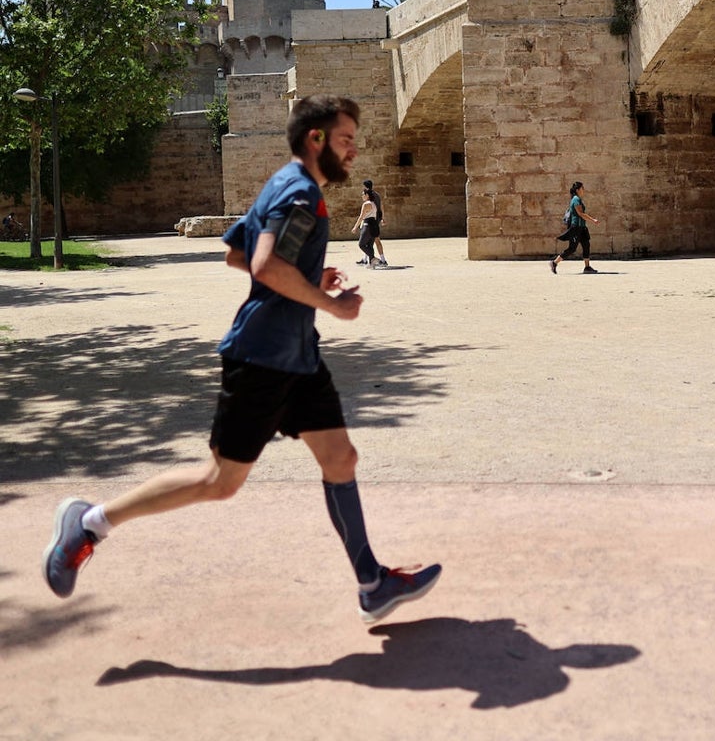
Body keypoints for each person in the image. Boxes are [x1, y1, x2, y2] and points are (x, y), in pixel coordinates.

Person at [41, 95, 441, 624]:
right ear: (315, 140)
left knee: (340, 459)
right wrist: (331, 303)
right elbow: (262, 263)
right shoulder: (299, 194)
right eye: (345, 139)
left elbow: (237, 255)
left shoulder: (286, 186)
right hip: (262, 359)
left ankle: (372, 582)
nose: (354, 149)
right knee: (220, 482)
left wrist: (305, 280)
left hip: (298, 357)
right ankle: (89, 523)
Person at [550, 182, 601, 274]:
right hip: (576, 227)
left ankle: (587, 267)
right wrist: (593, 220)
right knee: (572, 248)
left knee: (586, 245)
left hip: (582, 227)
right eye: (582, 188)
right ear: (577, 190)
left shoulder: (578, 199)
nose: (583, 190)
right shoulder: (576, 199)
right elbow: (580, 214)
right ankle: (554, 262)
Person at [360, 179, 388, 267]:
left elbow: (378, 207)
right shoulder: (377, 195)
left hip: (373, 221)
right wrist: (383, 218)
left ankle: (382, 260)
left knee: (374, 240)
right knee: (369, 241)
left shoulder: (369, 196)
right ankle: (366, 259)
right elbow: (381, 207)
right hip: (376, 219)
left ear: (366, 187)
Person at [352, 188, 382, 269]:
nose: (362, 196)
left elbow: (361, 217)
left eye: (363, 194)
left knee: (361, 244)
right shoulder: (374, 204)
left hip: (367, 225)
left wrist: (355, 227)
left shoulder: (366, 204)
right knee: (369, 245)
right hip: (374, 225)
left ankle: (373, 258)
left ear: (367, 195)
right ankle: (372, 264)